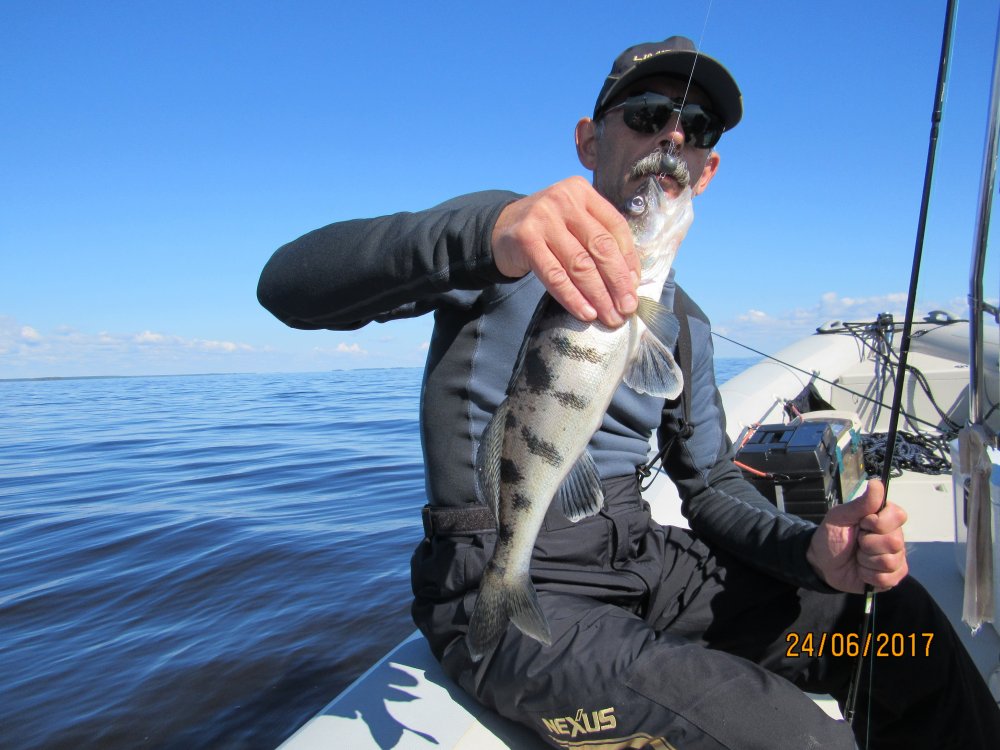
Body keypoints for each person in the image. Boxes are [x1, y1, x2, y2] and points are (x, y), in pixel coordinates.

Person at [258, 36, 1000, 749]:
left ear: (707, 170)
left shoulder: (685, 322)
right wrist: (489, 232)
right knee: (792, 737)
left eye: (696, 128)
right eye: (647, 114)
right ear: (589, 142)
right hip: (506, 571)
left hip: (644, 560)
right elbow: (288, 286)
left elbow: (709, 486)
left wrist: (809, 550)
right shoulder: (504, 242)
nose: (672, 136)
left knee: (895, 630)